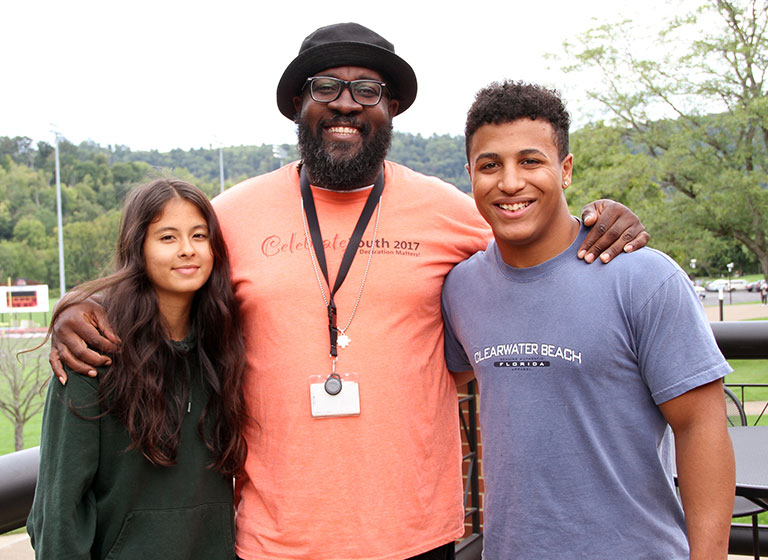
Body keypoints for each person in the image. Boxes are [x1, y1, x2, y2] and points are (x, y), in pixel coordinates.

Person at [49, 24, 650, 560]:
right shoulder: (231, 216)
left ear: (391, 108)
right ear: (297, 105)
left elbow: (537, 233)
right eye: (326, 87)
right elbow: (160, 273)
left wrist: (603, 218)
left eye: (367, 90)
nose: (346, 103)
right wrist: (79, 308)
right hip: (273, 541)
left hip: (414, 537)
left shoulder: (450, 211)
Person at [442, 81, 735, 559]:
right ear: (470, 174)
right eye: (490, 165)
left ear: (566, 170)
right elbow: (439, 383)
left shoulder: (644, 278)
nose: (510, 182)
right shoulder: (461, 288)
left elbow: (700, 427)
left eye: (531, 161)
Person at [27, 178, 247, 559]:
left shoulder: (223, 349)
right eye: (167, 237)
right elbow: (58, 510)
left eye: (199, 236)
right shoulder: (91, 356)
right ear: (137, 248)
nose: (187, 250)